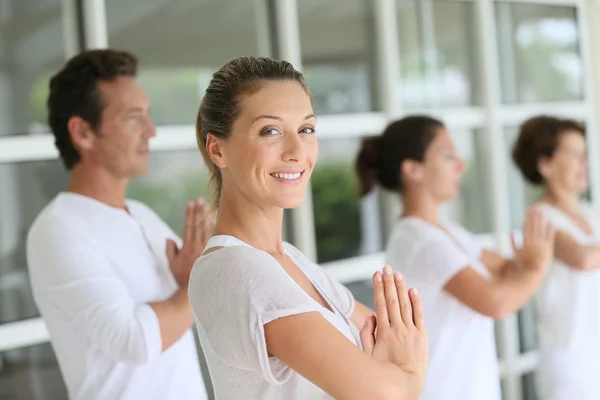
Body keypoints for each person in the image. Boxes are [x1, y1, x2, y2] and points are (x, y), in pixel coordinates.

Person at [187, 56, 429, 400]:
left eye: (306, 129)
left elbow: (391, 343)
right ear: (217, 148)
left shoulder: (291, 262)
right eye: (270, 131)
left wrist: (401, 375)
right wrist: (409, 374)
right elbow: (385, 390)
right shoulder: (236, 271)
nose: (297, 151)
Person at [26, 49, 210, 400]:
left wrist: (191, 285)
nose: (151, 131)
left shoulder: (142, 215)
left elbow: (207, 300)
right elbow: (135, 341)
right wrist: (193, 287)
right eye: (133, 117)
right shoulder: (59, 229)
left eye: (149, 115)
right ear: (83, 133)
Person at [355, 115, 555, 400]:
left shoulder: (448, 233)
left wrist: (527, 265)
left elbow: (508, 270)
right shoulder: (421, 241)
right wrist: (538, 265)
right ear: (413, 169)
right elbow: (496, 302)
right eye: (448, 156)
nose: (461, 165)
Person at [512, 115, 600, 399]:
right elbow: (582, 258)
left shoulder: (589, 212)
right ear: (545, 164)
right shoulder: (540, 218)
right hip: (570, 360)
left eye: (584, 153)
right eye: (575, 154)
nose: (584, 162)